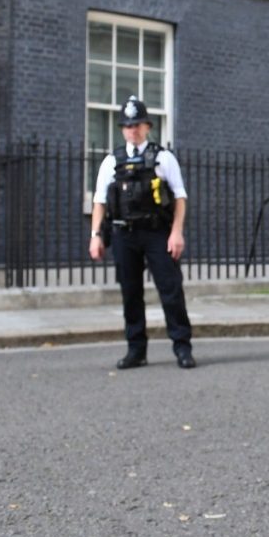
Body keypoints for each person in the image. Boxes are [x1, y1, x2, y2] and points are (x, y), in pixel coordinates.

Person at [88, 96, 196, 370]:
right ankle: (136, 350)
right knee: (130, 293)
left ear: (148, 126)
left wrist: (176, 233)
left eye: (137, 124)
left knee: (171, 291)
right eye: (127, 125)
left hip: (157, 233)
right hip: (124, 234)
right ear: (122, 129)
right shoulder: (112, 161)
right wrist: (96, 235)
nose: (132, 130)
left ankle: (182, 347)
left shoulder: (163, 158)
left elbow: (180, 198)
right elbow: (100, 201)